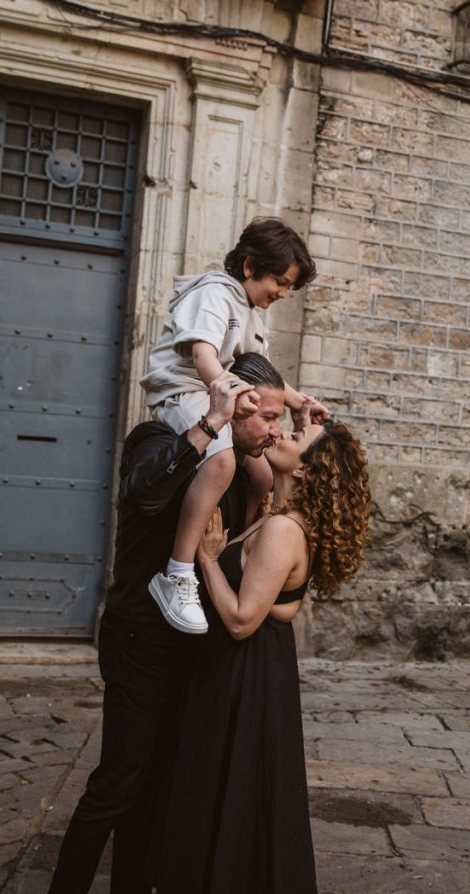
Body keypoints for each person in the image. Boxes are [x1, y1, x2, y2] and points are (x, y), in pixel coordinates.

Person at [38, 354, 288, 894]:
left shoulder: (246, 464)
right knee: (120, 778)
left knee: (156, 782)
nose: (271, 428)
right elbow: (143, 494)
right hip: (139, 637)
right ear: (232, 400)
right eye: (265, 415)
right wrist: (208, 422)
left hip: (194, 646)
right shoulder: (157, 438)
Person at [154, 418, 371, 894]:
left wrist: (204, 558)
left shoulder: (283, 530)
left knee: (260, 807)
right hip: (240, 677)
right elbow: (279, 607)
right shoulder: (275, 514)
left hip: (251, 679)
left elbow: (243, 619)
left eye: (296, 436)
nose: (282, 433)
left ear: (308, 468)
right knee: (236, 801)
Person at [140, 217, 328, 636]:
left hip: (214, 391)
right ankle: (177, 572)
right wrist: (224, 390)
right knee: (222, 460)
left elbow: (266, 373)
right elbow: (204, 353)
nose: (280, 293)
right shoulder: (213, 293)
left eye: (287, 287)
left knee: (260, 471)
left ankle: (234, 549)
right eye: (279, 281)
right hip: (183, 390)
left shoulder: (249, 312)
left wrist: (300, 402)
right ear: (249, 266)